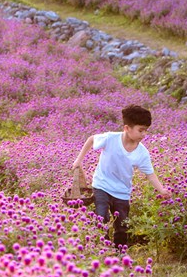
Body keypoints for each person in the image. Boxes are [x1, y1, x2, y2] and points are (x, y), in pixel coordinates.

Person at [71, 104, 171, 247]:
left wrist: (162, 190)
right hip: (102, 185)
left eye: (146, 131)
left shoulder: (142, 153)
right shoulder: (110, 138)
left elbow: (150, 174)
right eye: (140, 130)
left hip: (122, 192)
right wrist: (79, 160)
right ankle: (101, 250)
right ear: (127, 128)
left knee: (122, 227)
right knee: (101, 218)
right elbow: (91, 139)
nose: (144, 134)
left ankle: (119, 255)